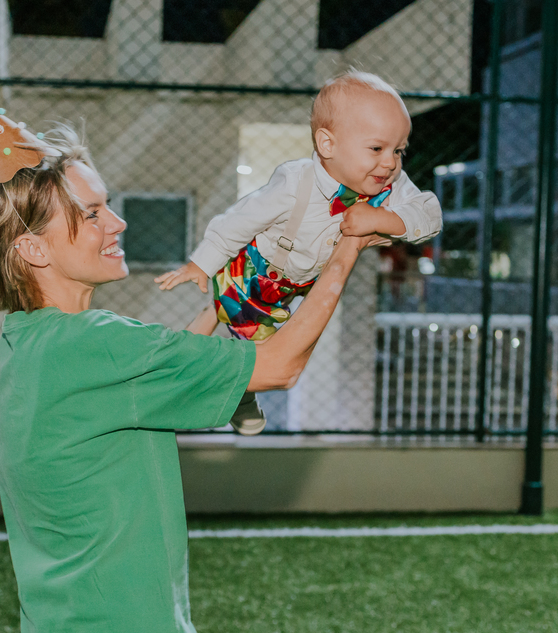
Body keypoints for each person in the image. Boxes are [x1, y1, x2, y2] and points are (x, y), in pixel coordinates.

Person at [0, 105, 385, 633]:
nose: (115, 222)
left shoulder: (29, 343)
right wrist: (345, 247)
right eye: (90, 214)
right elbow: (280, 366)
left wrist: (221, 306)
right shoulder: (97, 346)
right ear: (34, 248)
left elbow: (146, 379)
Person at [154, 70, 443, 435]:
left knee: (253, 326)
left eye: (398, 150)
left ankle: (215, 339)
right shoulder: (295, 181)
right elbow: (241, 219)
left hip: (300, 283)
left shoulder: (389, 185)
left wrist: (385, 218)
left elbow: (430, 214)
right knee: (255, 342)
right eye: (377, 148)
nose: (390, 163)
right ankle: (239, 395)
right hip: (258, 269)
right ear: (327, 144)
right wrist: (202, 263)